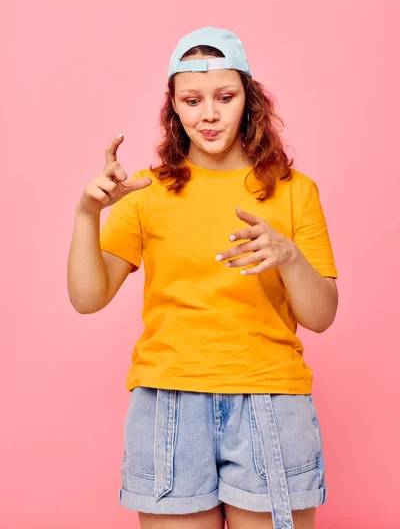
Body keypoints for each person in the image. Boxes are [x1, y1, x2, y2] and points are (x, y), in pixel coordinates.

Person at [67, 27, 339, 529]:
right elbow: (88, 298)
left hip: (270, 404)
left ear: (249, 100)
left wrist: (289, 256)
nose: (208, 115)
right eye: (191, 100)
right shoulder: (147, 192)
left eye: (225, 97)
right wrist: (87, 214)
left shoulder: (295, 191)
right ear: (173, 106)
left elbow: (321, 316)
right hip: (168, 405)